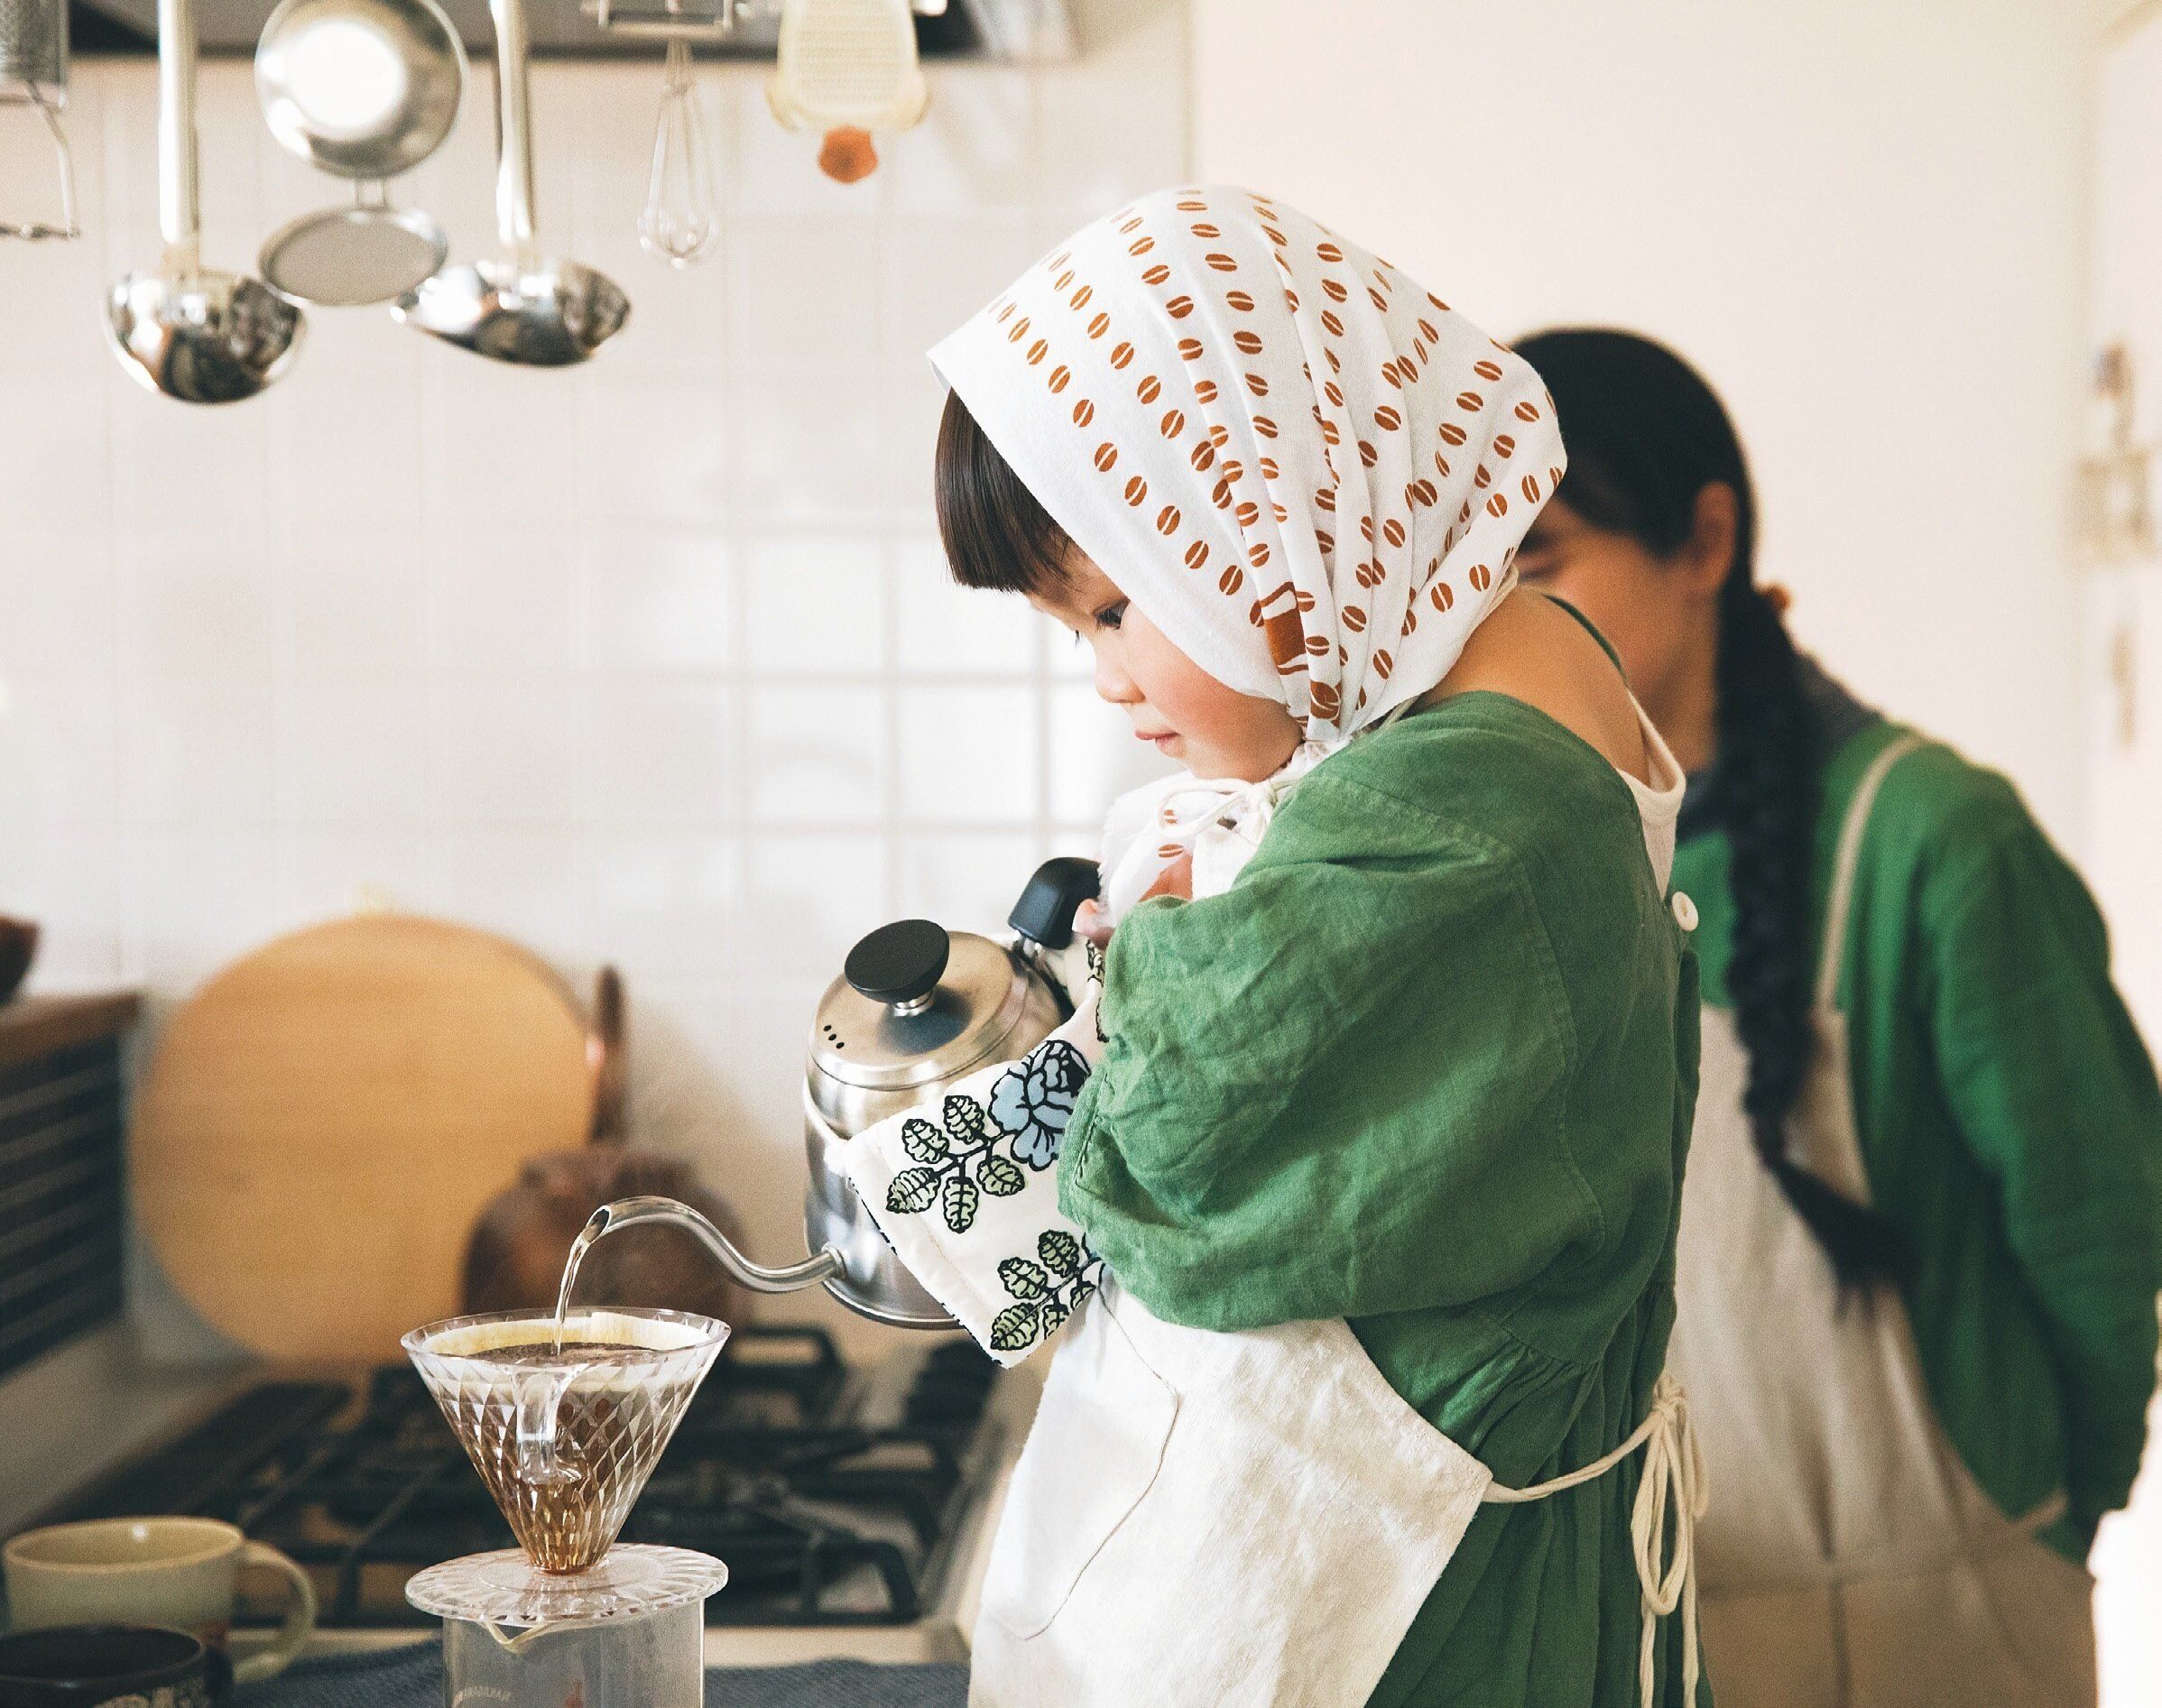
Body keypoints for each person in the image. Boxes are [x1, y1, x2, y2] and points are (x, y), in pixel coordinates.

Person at [838, 189, 1709, 1707]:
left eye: (1115, 606)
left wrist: (1160, 950)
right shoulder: (1477, 708)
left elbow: (1179, 1152)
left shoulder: (1467, 817)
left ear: (1271, 506)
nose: (1109, 680)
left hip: (1391, 1635)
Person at [1509, 326, 2162, 1708]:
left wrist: (2046, 1523)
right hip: (1650, 1628)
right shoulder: (1542, 870)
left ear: (1705, 541)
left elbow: (2110, 1231)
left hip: (1944, 1621)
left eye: (1544, 560)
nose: (1503, 622)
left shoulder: (1933, 841)